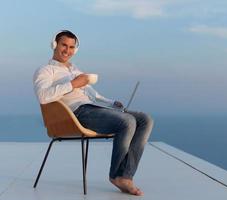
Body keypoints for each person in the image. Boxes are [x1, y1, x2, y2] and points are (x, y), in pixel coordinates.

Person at [33, 30, 153, 196]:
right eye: (64, 45)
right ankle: (118, 176)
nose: (67, 50)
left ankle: (125, 174)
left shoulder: (75, 70)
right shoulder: (45, 70)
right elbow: (43, 96)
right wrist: (73, 84)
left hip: (92, 108)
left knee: (144, 119)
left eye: (71, 47)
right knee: (127, 122)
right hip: (76, 113)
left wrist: (111, 103)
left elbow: (92, 94)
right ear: (54, 44)